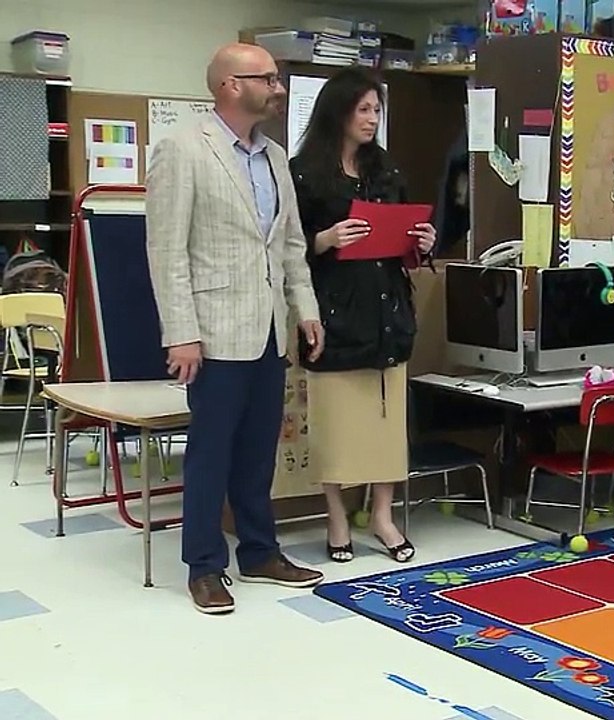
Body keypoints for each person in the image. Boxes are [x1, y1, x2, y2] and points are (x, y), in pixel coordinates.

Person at [146, 44, 325, 614]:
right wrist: (181, 333)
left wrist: (306, 309)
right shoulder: (183, 149)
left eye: (276, 78)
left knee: (257, 453)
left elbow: (290, 244)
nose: (278, 88)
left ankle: (260, 552)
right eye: (266, 78)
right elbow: (167, 250)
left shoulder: (275, 157)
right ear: (229, 85)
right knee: (211, 453)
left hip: (269, 329)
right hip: (214, 330)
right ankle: (204, 566)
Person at [290, 67, 437, 564]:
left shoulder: (386, 170)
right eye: (363, 110)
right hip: (334, 311)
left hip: (386, 310)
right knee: (336, 427)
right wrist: (326, 239)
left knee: (386, 426)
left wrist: (421, 242)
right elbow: (287, 247)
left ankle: (382, 515)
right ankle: (336, 518)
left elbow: (404, 245)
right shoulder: (304, 172)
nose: (372, 119)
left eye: (377, 110)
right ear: (339, 112)